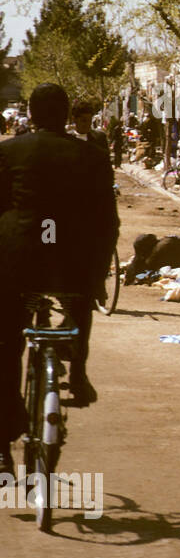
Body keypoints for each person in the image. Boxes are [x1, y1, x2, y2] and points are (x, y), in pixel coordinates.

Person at [0, 83, 118, 473]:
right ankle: (78, 375)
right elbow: (108, 222)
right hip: (73, 262)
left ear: (30, 115)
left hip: (18, 263)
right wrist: (98, 274)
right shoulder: (93, 155)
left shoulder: (9, 151)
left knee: (5, 348)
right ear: (67, 115)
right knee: (79, 303)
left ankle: (2, 448)